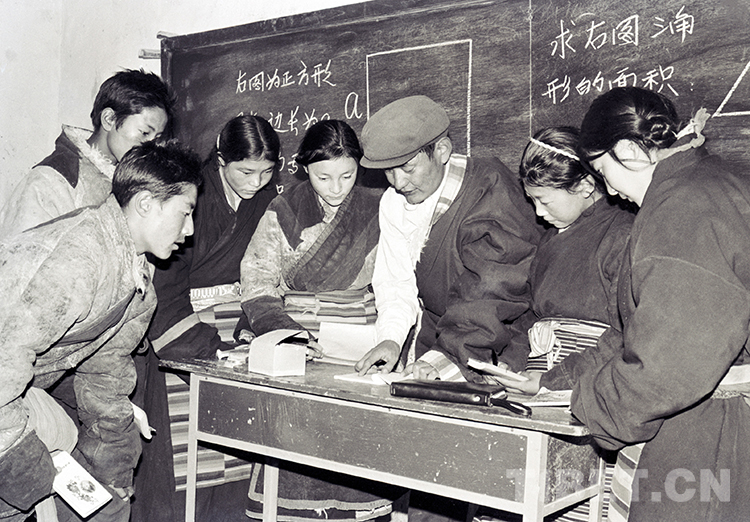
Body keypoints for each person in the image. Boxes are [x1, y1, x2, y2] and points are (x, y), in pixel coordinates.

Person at [500, 87, 750, 522]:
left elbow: (670, 360)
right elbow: (636, 329)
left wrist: (595, 407)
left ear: (630, 151)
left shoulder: (683, 206)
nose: (611, 191)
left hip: (711, 429)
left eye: (602, 170)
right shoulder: (712, 180)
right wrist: (564, 384)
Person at [0, 140, 201, 522]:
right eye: (185, 212)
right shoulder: (78, 258)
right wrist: (29, 471)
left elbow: (106, 376)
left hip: (14, 392)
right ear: (145, 203)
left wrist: (113, 470)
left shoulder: (137, 284)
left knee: (103, 500)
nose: (189, 230)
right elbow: (3, 361)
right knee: (26, 484)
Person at [239, 119, 402, 522]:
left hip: (360, 341)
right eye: (323, 177)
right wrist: (285, 333)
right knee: (295, 443)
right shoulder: (284, 210)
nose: (336, 188)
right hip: (300, 343)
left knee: (355, 445)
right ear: (304, 168)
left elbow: (397, 281)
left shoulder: (381, 205)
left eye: (347, 175)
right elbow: (257, 282)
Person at [132, 115, 281, 522]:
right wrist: (212, 352)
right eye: (246, 172)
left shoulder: (266, 201)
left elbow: (265, 272)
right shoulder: (189, 197)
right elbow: (165, 287)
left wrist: (248, 333)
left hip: (236, 330)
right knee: (180, 477)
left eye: (267, 172)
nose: (256, 183)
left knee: (238, 465)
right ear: (220, 159)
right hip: (182, 333)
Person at [354, 95, 543, 383]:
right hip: (441, 342)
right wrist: (391, 338)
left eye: (407, 168)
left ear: (441, 150)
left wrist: (450, 355)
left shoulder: (490, 190)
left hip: (496, 346)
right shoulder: (393, 203)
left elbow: (491, 289)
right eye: (388, 171)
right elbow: (395, 281)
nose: (398, 183)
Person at [504, 126, 635, 377]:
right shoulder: (550, 239)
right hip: (541, 375)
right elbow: (531, 316)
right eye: (532, 200)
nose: (539, 212)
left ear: (585, 186)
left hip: (591, 376)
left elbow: (625, 334)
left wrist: (555, 379)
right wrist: (510, 362)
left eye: (544, 200)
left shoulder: (622, 235)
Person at [0, 68, 174, 239]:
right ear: (109, 119)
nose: (151, 146)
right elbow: (18, 252)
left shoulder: (137, 181)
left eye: (157, 138)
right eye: (145, 132)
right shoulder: (50, 181)